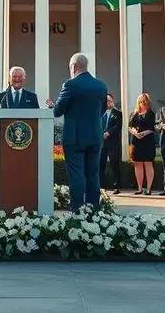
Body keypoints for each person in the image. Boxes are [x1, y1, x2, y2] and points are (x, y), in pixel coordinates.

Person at [53, 52, 109, 211]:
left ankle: (77, 211)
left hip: (74, 137)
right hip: (95, 135)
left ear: (73, 67)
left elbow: (57, 111)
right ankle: (93, 211)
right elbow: (103, 109)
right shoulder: (101, 85)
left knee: (76, 175)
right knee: (93, 174)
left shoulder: (70, 85)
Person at [128, 93, 157, 195]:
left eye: (144, 102)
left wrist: (143, 133)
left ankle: (148, 189)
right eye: (140, 102)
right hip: (137, 142)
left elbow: (152, 127)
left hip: (148, 141)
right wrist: (134, 132)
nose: (142, 104)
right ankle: (140, 188)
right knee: (138, 164)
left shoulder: (151, 113)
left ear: (148, 103)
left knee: (148, 163)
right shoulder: (134, 114)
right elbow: (130, 126)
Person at [99, 93, 123, 194]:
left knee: (114, 164)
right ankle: (101, 186)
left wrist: (109, 132)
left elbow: (118, 127)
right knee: (100, 165)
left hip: (113, 142)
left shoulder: (118, 113)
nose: (108, 103)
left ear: (113, 101)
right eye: (107, 101)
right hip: (102, 143)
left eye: (110, 101)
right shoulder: (99, 113)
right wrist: (102, 133)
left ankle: (116, 186)